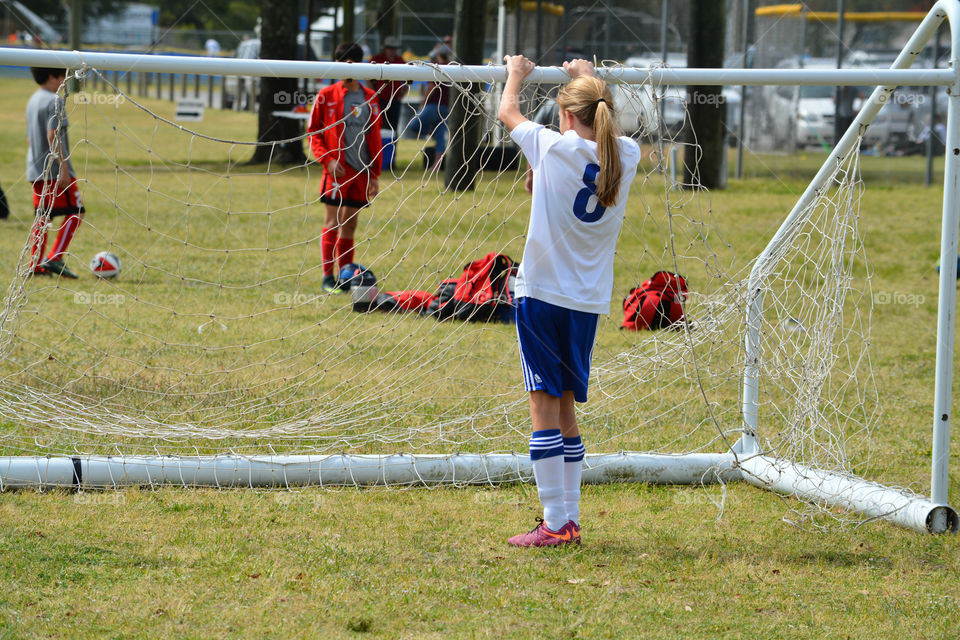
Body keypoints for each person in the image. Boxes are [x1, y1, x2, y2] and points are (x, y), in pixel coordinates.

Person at [497, 55, 641, 547]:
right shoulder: (628, 154)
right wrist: (582, 77)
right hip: (586, 303)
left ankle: (555, 523)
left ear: (564, 117)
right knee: (564, 410)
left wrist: (516, 71)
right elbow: (593, 123)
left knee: (542, 407)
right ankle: (568, 520)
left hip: (541, 296)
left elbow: (507, 113)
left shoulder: (551, 149)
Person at [307, 42, 383, 294]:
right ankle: (328, 277)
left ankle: (347, 274)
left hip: (360, 172)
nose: (347, 69)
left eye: (352, 63)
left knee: (350, 224)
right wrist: (327, 159)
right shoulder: (326, 96)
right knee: (332, 222)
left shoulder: (370, 98)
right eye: (343, 64)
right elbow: (314, 133)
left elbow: (374, 138)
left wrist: (374, 173)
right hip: (336, 171)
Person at [27, 67, 85, 279]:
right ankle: (54, 258)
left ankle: (35, 264)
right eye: (63, 77)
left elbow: (31, 138)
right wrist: (63, 168)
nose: (64, 82)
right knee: (77, 211)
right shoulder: (55, 101)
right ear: (53, 77)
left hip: (35, 169)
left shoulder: (33, 100)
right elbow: (53, 135)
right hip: (54, 170)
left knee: (42, 217)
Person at [403, 50, 450, 171]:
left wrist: (422, 104)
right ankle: (437, 165)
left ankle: (429, 132)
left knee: (413, 125)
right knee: (440, 136)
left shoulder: (436, 69)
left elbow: (431, 87)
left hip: (433, 105)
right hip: (445, 107)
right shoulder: (450, 69)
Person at [369, 36, 408, 135]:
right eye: (390, 48)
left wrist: (402, 95)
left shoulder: (400, 60)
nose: (392, 51)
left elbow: (408, 79)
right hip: (379, 99)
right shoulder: (377, 59)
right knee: (376, 126)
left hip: (394, 100)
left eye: (394, 48)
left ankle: (392, 148)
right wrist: (373, 94)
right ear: (385, 48)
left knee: (393, 127)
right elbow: (368, 78)